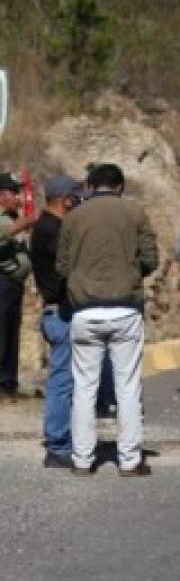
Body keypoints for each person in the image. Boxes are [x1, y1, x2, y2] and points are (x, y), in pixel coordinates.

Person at [56, 164, 159, 475]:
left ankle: (82, 460)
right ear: (121, 186)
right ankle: (129, 460)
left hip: (85, 310)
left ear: (89, 185)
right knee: (127, 387)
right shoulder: (136, 213)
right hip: (125, 308)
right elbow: (151, 260)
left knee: (84, 388)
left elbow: (62, 266)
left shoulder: (73, 217)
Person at [30, 176, 83, 467]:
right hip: (60, 314)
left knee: (67, 381)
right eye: (76, 197)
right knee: (62, 382)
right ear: (66, 199)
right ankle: (58, 445)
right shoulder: (52, 230)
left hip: (60, 312)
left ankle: (65, 441)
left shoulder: (48, 227)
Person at [0, 173, 35, 400]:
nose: (18, 197)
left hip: (14, 285)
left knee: (12, 334)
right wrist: (25, 222)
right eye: (14, 193)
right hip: (2, 281)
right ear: (2, 195)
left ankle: (9, 382)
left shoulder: (13, 216)